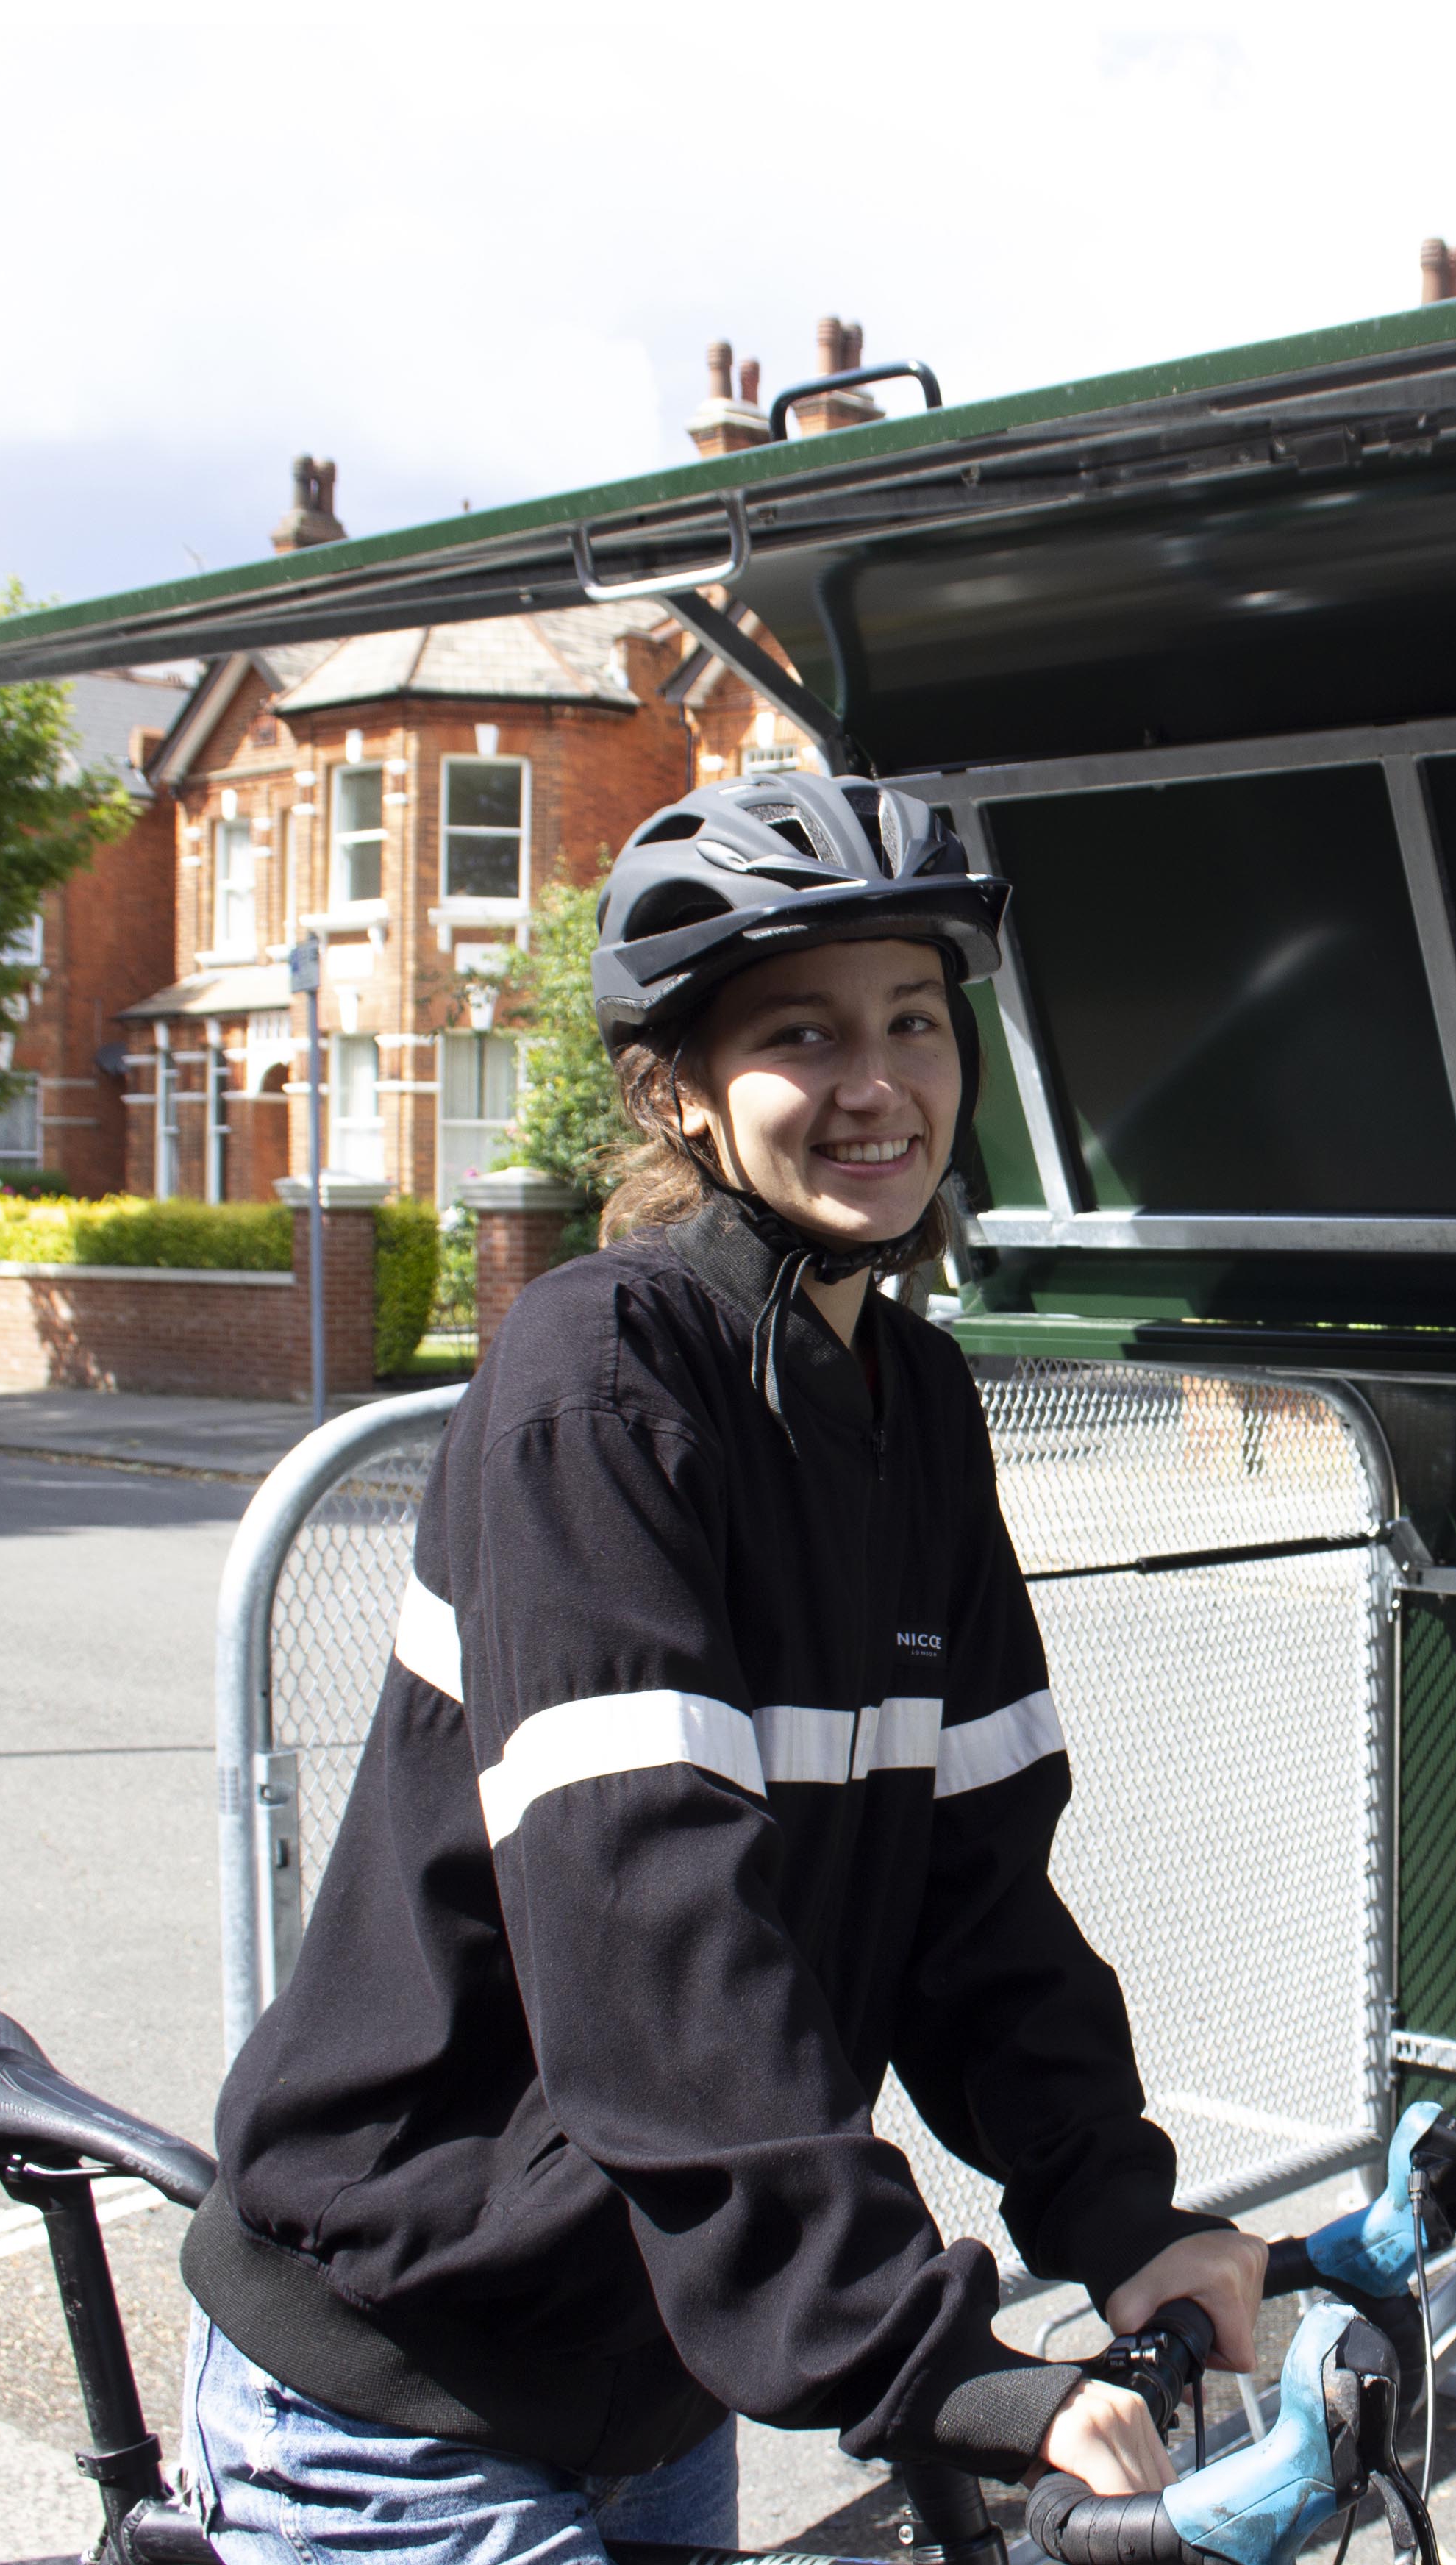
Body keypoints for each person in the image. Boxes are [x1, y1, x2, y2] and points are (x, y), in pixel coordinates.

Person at [182, 771, 1266, 2565]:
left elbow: (976, 1897)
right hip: (411, 2383)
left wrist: (1117, 2213)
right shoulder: (598, 1384)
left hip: (655, 2379)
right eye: (799, 1033)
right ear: (677, 1091)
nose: (876, 1081)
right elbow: (651, 1921)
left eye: (914, 1021)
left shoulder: (910, 1401)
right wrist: (915, 2353)